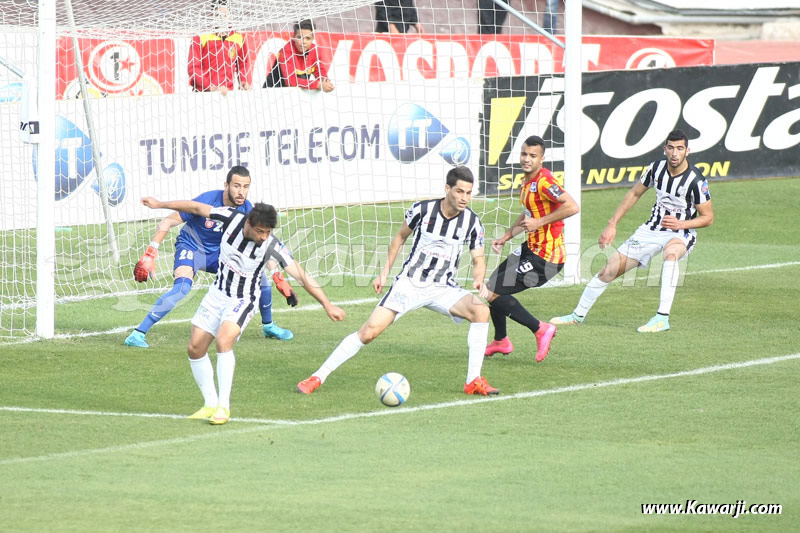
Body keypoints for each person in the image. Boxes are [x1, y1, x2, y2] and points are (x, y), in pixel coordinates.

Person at [139, 197, 346, 424]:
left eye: (267, 232)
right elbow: (196, 207)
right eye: (260, 231)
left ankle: (223, 407)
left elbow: (301, 274)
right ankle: (209, 404)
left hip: (243, 299)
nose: (263, 237)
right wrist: (160, 205)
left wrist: (327, 304)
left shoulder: (271, 245)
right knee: (195, 348)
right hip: (216, 294)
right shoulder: (230, 217)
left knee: (223, 340)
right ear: (248, 223)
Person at [297, 166, 500, 397]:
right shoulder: (423, 210)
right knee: (369, 332)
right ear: (447, 189)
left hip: (443, 287)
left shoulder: (472, 222)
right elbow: (400, 238)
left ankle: (473, 380)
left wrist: (478, 278)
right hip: (410, 283)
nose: (465, 198)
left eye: (469, 193)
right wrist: (384, 272)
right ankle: (317, 377)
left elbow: (479, 258)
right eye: (460, 191)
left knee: (480, 311)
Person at [551, 129, 714, 332]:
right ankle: (577, 315)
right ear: (665, 149)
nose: (674, 153)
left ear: (687, 151)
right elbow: (635, 193)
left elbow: (708, 217)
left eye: (679, 148)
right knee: (608, 270)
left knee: (671, 254)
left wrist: (681, 224)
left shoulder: (696, 180)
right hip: (651, 229)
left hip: (682, 232)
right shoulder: (656, 168)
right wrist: (612, 223)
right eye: (671, 148)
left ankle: (662, 318)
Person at [124, 166, 295, 348]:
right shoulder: (208, 200)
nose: (241, 192)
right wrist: (150, 253)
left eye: (246, 187)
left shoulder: (247, 210)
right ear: (226, 185)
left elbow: (260, 246)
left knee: (260, 279)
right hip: (192, 247)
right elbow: (168, 221)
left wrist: (278, 276)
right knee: (181, 288)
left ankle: (268, 326)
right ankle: (137, 334)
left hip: (221, 254)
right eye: (237, 186)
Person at [484, 135, 579, 361]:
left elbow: (572, 206)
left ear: (542, 159)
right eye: (524, 154)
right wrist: (507, 236)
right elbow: (529, 213)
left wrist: (539, 223)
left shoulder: (545, 182)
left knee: (494, 291)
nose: (527, 159)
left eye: (533, 156)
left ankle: (540, 329)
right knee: (491, 285)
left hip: (547, 259)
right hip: (531, 248)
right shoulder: (528, 182)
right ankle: (501, 341)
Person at [188, 0, 251, 94]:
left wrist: (243, 80)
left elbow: (243, 64)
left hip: (227, 94)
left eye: (225, 15)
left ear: (230, 17)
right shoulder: (200, 36)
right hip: (203, 94)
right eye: (218, 15)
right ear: (212, 16)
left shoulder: (238, 38)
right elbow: (193, 68)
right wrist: (210, 87)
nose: (222, 19)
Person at [263, 19, 334, 93]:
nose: (303, 42)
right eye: (299, 37)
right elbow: (291, 81)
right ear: (294, 37)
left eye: (308, 38)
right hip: (273, 91)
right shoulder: (286, 52)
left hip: (295, 93)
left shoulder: (314, 50)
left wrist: (325, 81)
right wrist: (318, 85)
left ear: (313, 39)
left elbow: (319, 71)